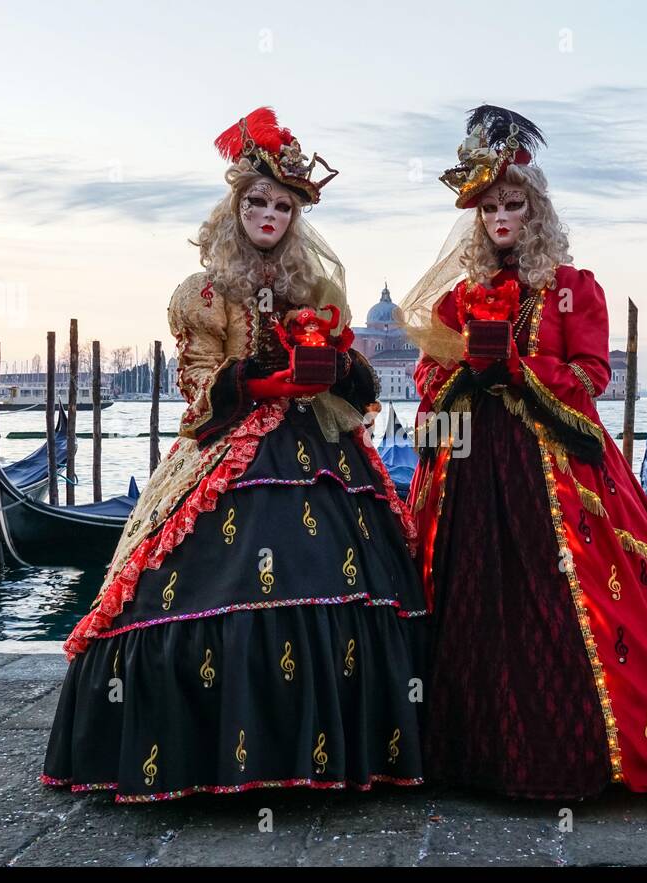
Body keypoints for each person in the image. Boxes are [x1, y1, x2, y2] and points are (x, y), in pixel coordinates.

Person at [42, 107, 428, 803]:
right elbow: (198, 390)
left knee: (333, 568)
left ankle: (323, 750)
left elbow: (359, 389)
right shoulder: (203, 295)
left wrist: (333, 364)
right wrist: (265, 378)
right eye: (259, 201)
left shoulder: (318, 292)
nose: (271, 214)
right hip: (231, 450)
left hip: (319, 451)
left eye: (283, 205)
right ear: (236, 207)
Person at [399, 105, 647, 800]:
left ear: (535, 211)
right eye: (488, 207)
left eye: (512, 204)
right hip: (469, 467)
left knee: (560, 597)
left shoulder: (576, 291)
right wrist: (468, 369)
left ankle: (567, 752)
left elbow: (592, 377)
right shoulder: (462, 298)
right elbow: (431, 383)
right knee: (464, 591)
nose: (499, 217)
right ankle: (464, 751)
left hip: (552, 465)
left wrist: (517, 368)